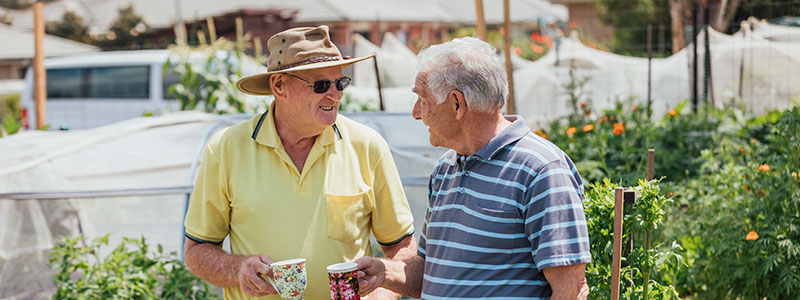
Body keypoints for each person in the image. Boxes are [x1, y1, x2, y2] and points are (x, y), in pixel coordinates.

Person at [183, 25, 417, 300]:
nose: (336, 94)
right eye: (321, 85)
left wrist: (381, 294)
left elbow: (403, 247)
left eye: (340, 82)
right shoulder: (225, 149)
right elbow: (196, 251)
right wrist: (238, 270)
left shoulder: (368, 145)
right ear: (279, 85)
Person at [356, 37, 591, 299]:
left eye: (422, 99)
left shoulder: (541, 171)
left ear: (457, 104)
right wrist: (384, 272)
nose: (415, 113)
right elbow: (431, 273)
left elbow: (571, 290)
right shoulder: (445, 169)